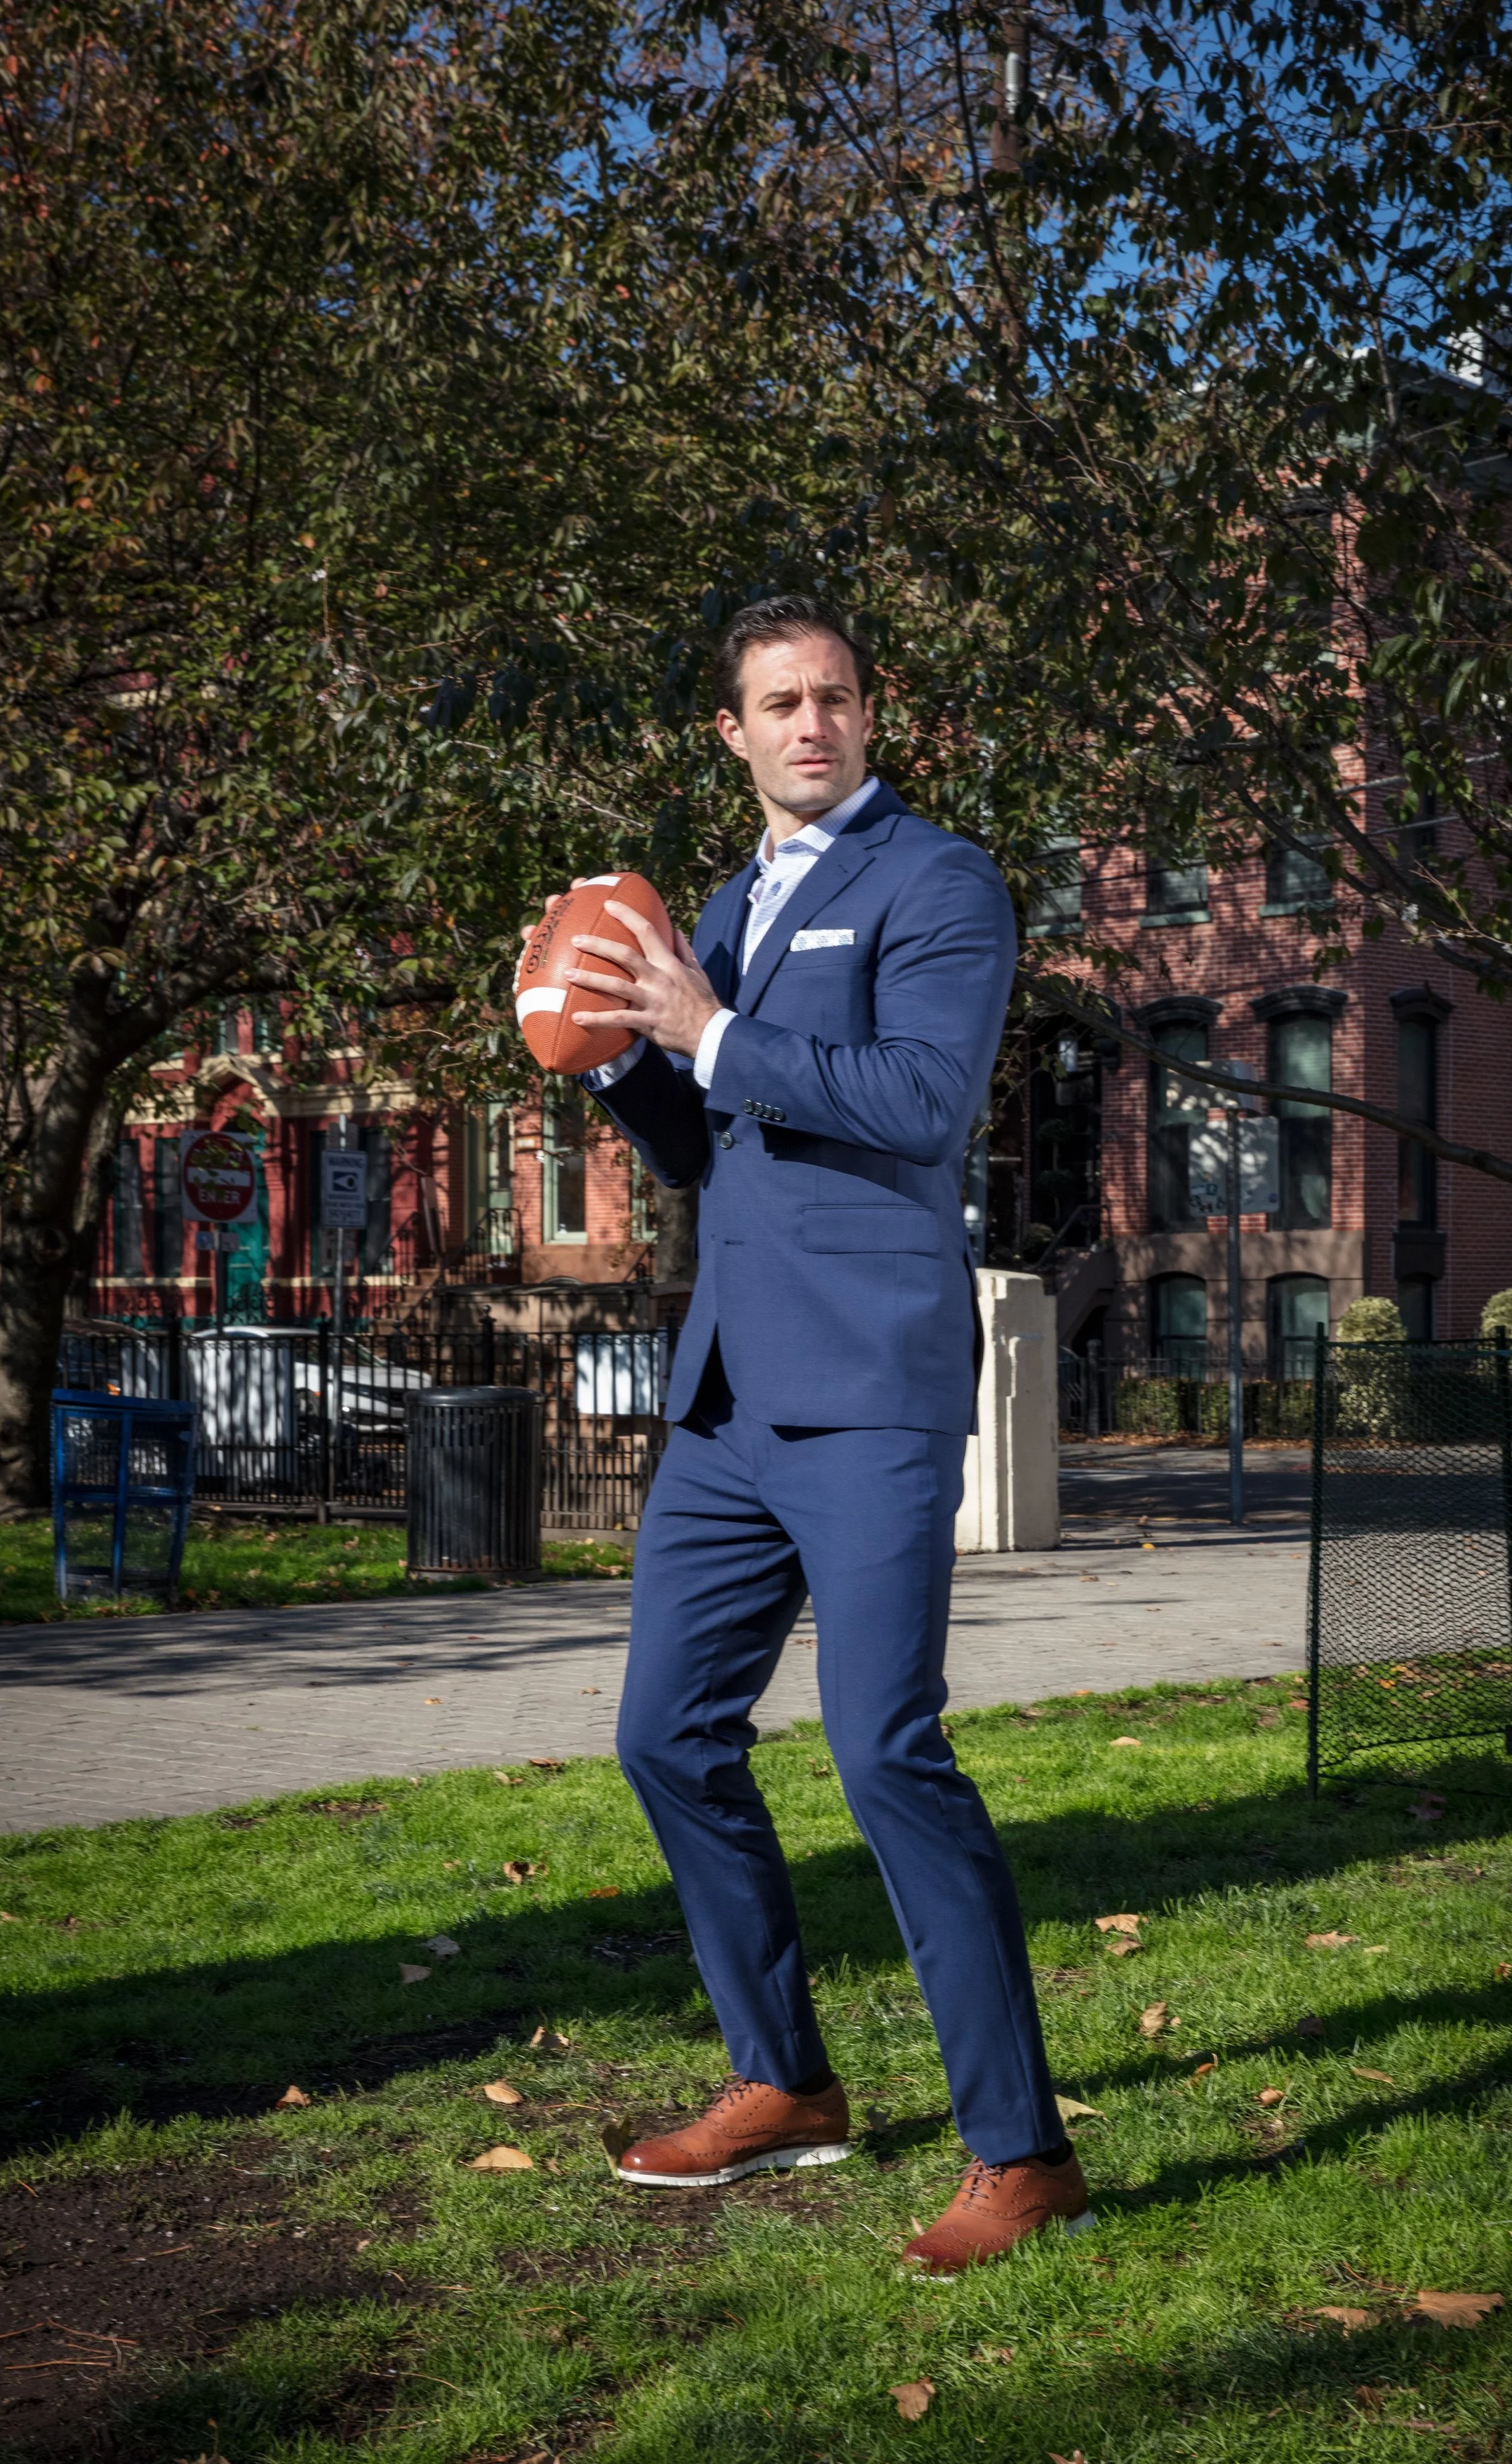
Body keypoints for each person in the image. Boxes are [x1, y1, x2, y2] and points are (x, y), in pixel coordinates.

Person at [556, 593, 1090, 2273]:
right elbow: (721, 1147)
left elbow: (923, 1103)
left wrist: (708, 1027)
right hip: (726, 1396)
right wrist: (603, 1053)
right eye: (777, 703)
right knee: (663, 1737)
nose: (809, 724)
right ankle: (781, 2079)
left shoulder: (936, 881)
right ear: (731, 733)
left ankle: (1019, 2149)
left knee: (882, 1750)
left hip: (869, 1384)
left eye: (835, 699)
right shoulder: (721, 903)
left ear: (869, 718)